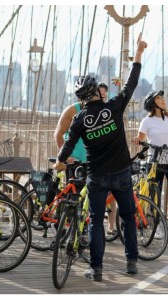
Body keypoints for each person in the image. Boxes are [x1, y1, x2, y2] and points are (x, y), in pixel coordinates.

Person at [54, 34, 147, 281]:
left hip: (96, 177)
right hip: (121, 174)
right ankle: (131, 262)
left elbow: (66, 146)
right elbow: (131, 83)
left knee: (95, 220)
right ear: (97, 91)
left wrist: (59, 162)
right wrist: (138, 53)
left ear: (81, 98)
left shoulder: (79, 119)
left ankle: (96, 269)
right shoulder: (114, 106)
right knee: (128, 217)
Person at [54, 81, 117, 235]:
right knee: (72, 196)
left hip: (95, 161)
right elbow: (58, 134)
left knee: (102, 195)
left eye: (103, 94)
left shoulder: (105, 110)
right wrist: (65, 156)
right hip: (75, 161)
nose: (100, 96)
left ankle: (108, 226)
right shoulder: (72, 110)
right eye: (98, 93)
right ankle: (65, 228)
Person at [133, 90, 168, 208]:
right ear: (152, 103)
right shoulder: (147, 121)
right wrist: (137, 140)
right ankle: (153, 218)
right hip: (155, 162)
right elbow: (140, 138)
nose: (163, 100)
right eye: (159, 98)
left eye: (162, 97)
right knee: (154, 193)